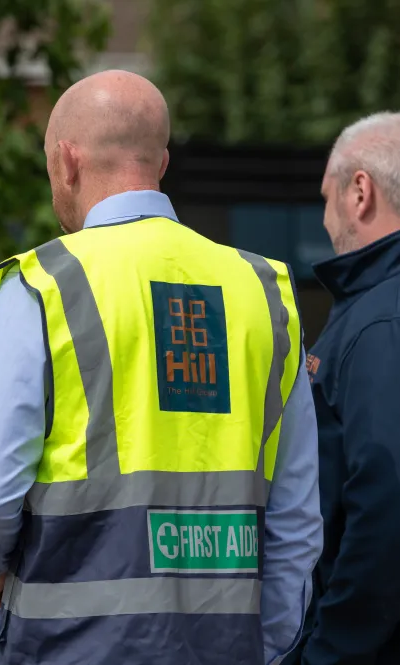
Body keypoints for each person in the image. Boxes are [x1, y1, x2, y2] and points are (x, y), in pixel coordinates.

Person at [0, 70, 323, 665]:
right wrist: (266, 645)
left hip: (68, 645)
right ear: (162, 163)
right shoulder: (263, 292)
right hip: (225, 646)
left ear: (66, 162)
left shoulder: (43, 286)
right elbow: (295, 518)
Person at [289, 112, 400, 664]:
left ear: (360, 192)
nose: (326, 217)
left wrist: (330, 651)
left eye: (326, 197)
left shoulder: (380, 322)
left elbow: (386, 503)